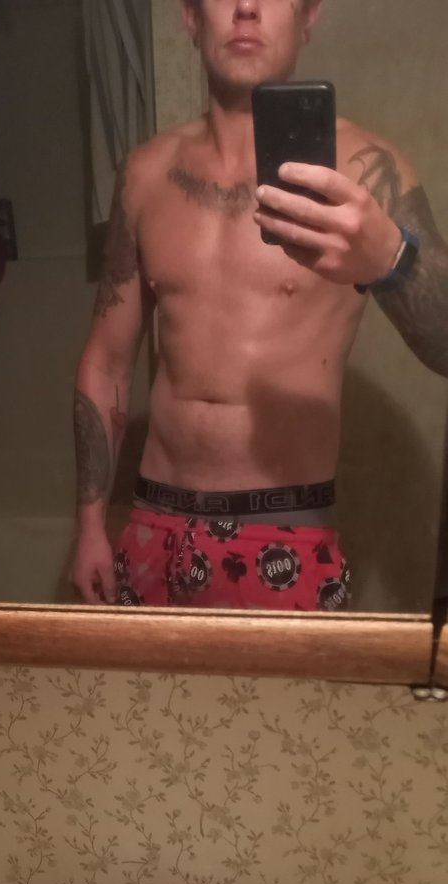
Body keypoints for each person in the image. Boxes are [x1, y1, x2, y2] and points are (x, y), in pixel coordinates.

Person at [72, 0, 448, 611]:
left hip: (287, 533)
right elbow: (107, 361)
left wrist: (389, 260)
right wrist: (90, 525)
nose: (246, 7)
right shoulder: (145, 174)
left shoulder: (364, 173)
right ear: (191, 18)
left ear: (308, 17)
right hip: (153, 524)